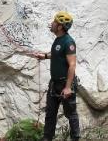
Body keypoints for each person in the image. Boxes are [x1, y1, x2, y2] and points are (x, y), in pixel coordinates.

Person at [33, 11, 80, 140]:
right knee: (50, 114)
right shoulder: (58, 40)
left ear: (60, 27)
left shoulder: (68, 42)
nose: (52, 24)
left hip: (65, 84)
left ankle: (75, 138)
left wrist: (68, 87)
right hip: (54, 84)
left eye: (54, 22)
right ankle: (47, 138)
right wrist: (45, 56)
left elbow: (72, 65)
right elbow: (57, 54)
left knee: (71, 114)